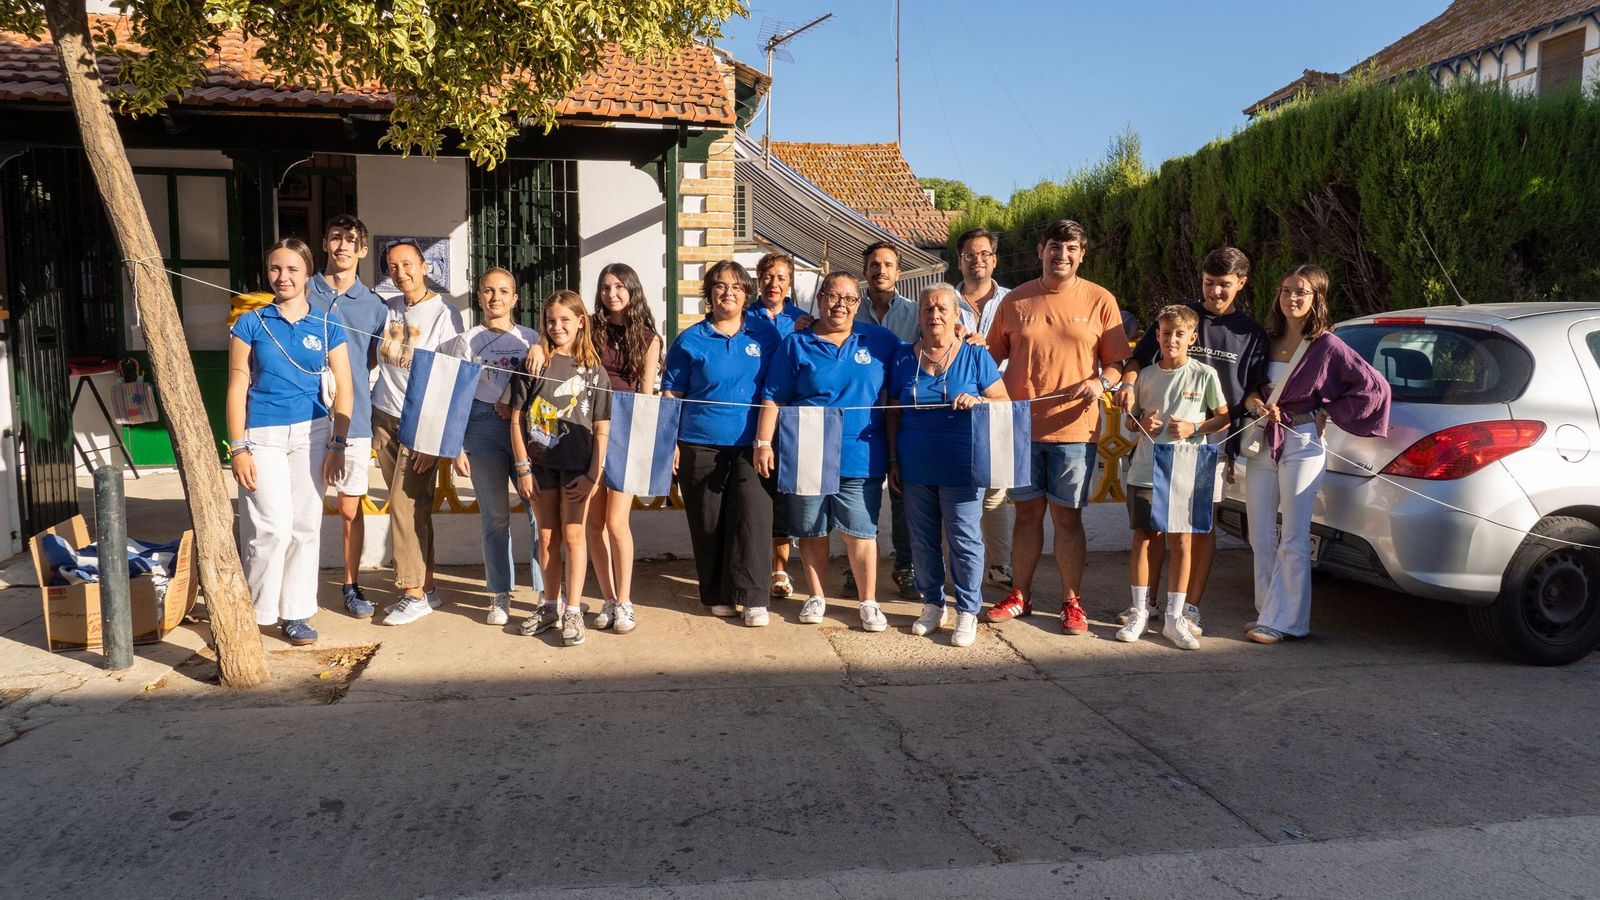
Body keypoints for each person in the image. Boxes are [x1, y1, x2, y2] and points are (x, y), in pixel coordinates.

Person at [1115, 247, 1268, 636]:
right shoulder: (1179, 318)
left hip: (1211, 447)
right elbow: (1137, 361)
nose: (1215, 292)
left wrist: (1257, 408)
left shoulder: (1250, 332)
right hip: (1156, 448)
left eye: (1224, 285)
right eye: (1208, 283)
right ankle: (1145, 605)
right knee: (1152, 528)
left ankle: (1188, 609)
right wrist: (1129, 387)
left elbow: (1251, 389)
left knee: (1197, 529)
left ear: (1241, 284)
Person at [986, 218, 1126, 634]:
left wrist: (1100, 383)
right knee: (1027, 517)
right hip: (1021, 429)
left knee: (1068, 519)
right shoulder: (1015, 301)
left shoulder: (1100, 300)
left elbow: (1116, 366)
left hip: (1075, 431)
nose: (1061, 255)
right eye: (1054, 247)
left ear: (1082, 254)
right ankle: (1020, 596)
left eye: (1070, 249)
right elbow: (987, 361)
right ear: (1040, 251)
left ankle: (1071, 602)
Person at [1240, 265, 1389, 644]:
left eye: (1301, 292)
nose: (1291, 298)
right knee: (1260, 534)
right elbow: (1249, 389)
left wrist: (1328, 409)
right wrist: (1258, 405)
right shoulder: (1265, 339)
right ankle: (1267, 611)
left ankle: (1285, 621)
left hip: (1302, 442)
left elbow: (1375, 388)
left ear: (1316, 298)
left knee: (1293, 534)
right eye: (1286, 290)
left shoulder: (1327, 345)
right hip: (1264, 439)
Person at [754, 270, 903, 633]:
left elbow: (920, 356)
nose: (840, 305)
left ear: (858, 303)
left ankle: (868, 601)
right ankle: (816, 595)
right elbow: (773, 395)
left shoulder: (880, 341)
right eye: (833, 297)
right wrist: (763, 442)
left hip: (861, 452)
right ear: (820, 300)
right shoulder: (796, 343)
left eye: (849, 299)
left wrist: (962, 336)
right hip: (806, 449)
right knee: (811, 529)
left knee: (861, 532)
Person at [226, 238, 354, 646]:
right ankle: (258, 611)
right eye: (276, 269)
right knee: (271, 528)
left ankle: (296, 613)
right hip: (262, 435)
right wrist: (238, 447)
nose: (283, 277)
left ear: (307, 275)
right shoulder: (250, 322)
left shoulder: (327, 324)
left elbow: (346, 388)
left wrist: (338, 444)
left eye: (292, 269)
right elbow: (236, 386)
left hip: (313, 434)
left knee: (305, 526)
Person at [887, 284, 1009, 648]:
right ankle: (933, 604)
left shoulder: (974, 354)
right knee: (922, 539)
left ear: (957, 315)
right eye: (927, 309)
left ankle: (968, 610)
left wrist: (979, 401)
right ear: (919, 316)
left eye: (942, 308)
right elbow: (893, 413)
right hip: (915, 463)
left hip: (962, 464)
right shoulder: (903, 357)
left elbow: (1003, 401)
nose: (935, 315)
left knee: (964, 538)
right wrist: (894, 459)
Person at [662, 261, 782, 626]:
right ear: (709, 293)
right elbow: (671, 394)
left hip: (753, 445)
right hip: (698, 443)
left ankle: (754, 597)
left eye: (736, 287)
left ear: (747, 294)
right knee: (708, 522)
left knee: (752, 517)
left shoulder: (766, 336)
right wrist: (669, 442)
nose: (728, 293)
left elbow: (776, 389)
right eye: (719, 286)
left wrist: (765, 440)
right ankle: (717, 594)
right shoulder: (689, 340)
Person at [1115, 305, 1229, 650]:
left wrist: (1195, 427)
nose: (1172, 340)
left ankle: (1175, 617)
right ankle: (1139, 611)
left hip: (1186, 469)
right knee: (1144, 538)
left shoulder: (1205, 375)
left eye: (1180, 334)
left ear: (1192, 338)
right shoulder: (1145, 376)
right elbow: (1130, 421)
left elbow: (1223, 417)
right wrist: (1141, 424)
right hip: (1146, 469)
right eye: (1166, 333)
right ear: (1158, 336)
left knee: (1182, 541)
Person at [440, 268, 546, 627]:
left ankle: (547, 592)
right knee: (495, 516)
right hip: (481, 426)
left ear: (515, 298)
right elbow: (453, 392)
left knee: (539, 512)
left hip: (525, 430)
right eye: (488, 291)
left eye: (503, 291)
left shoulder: (531, 338)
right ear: (479, 297)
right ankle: (500, 592)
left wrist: (539, 349)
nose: (495, 297)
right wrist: (455, 446)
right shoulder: (465, 341)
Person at [509, 290, 612, 647]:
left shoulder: (595, 371)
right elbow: (516, 419)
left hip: (578, 467)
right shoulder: (533, 362)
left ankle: (573, 609)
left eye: (565, 320)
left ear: (581, 321)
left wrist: (593, 475)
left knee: (573, 535)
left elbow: (601, 428)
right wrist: (523, 468)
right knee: (547, 535)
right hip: (540, 465)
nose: (557, 327)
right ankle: (550, 605)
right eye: (551, 321)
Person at [370, 240, 465, 626]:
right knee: (416, 506)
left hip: (420, 420)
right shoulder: (388, 308)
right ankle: (427, 587)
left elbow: (451, 377)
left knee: (403, 504)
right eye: (393, 266)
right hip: (385, 417)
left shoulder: (445, 313)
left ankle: (411, 593)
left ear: (425, 266)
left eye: (407, 264)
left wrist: (435, 435)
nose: (401, 273)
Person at [306, 214, 387, 619]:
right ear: (324, 243)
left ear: (363, 250)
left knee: (351, 510)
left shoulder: (375, 306)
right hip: (302, 416)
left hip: (353, 420)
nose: (342, 246)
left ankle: (351, 585)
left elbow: (372, 360)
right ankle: (297, 591)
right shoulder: (302, 290)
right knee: (301, 510)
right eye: (336, 237)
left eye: (351, 239)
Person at [586, 263, 662, 634]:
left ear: (632, 290)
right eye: (605, 287)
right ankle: (607, 598)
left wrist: (645, 445)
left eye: (619, 286)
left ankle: (625, 601)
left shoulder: (649, 338)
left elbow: (646, 394)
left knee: (616, 522)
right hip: (588, 430)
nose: (611, 293)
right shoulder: (588, 327)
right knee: (593, 523)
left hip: (626, 432)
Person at [953, 227, 1015, 589]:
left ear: (994, 260)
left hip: (999, 405)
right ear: (959, 260)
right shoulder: (945, 300)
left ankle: (999, 566)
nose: (978, 260)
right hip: (956, 407)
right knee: (956, 491)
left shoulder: (1014, 301)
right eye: (970, 255)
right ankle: (958, 566)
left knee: (996, 492)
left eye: (984, 254)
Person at [751, 252, 812, 602]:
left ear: (790, 283)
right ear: (758, 279)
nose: (774, 283)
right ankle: (754, 563)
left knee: (786, 497)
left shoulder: (803, 320)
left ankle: (780, 569)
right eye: (768, 276)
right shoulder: (744, 316)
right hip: (752, 419)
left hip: (791, 422)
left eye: (781, 277)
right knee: (758, 494)